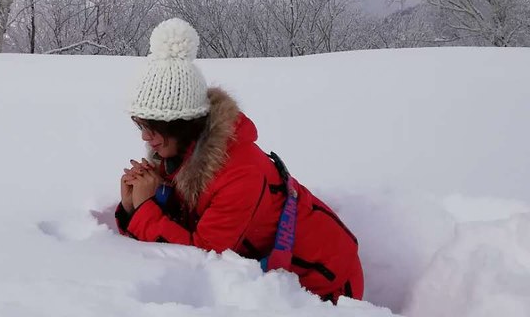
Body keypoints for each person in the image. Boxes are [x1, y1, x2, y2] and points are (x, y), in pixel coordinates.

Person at [116, 18, 364, 304]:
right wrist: (132, 206)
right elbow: (186, 221)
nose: (146, 138)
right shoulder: (177, 151)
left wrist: (145, 210)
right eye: (140, 126)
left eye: (154, 127)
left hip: (326, 284)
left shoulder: (239, 174)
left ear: (183, 123)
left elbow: (203, 257)